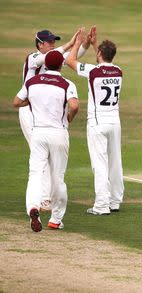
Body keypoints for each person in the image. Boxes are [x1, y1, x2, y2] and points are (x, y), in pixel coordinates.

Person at [21, 29, 89, 211]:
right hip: (30, 112)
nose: (52, 44)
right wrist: (69, 43)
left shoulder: (52, 59)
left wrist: (84, 43)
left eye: (53, 41)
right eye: (49, 42)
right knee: (40, 156)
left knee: (44, 155)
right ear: (39, 44)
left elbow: (70, 57)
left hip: (45, 113)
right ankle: (44, 199)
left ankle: (46, 197)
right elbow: (55, 55)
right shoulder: (33, 58)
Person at [13, 50, 79, 232]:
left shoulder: (31, 82)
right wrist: (69, 117)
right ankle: (56, 219)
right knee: (57, 177)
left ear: (46, 65)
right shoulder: (67, 83)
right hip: (58, 133)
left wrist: (31, 103)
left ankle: (33, 207)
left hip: (38, 133)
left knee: (35, 173)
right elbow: (74, 105)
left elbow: (16, 102)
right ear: (60, 66)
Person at [66, 27, 124, 215]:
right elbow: (104, 65)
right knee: (115, 162)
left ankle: (101, 205)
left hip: (97, 122)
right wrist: (94, 46)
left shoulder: (92, 72)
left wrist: (76, 44)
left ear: (99, 53)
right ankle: (114, 201)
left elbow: (70, 61)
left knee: (99, 163)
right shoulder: (118, 71)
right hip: (114, 122)